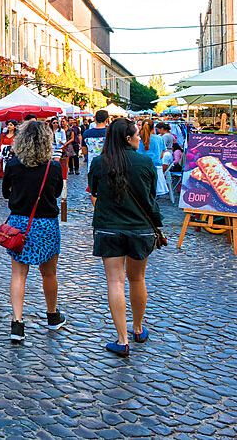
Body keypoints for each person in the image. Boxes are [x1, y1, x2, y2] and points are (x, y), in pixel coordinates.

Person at [88, 118, 161, 356]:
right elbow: (152, 195)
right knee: (137, 279)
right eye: (137, 135)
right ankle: (138, 328)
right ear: (128, 139)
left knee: (115, 282)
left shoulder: (99, 163)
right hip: (140, 229)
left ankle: (122, 339)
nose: (140, 138)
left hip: (109, 228)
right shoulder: (145, 162)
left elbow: (95, 192)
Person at [1, 120, 66, 343]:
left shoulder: (13, 165)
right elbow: (56, 193)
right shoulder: (54, 167)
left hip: (20, 224)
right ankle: (52, 315)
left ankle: (17, 323)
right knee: (49, 273)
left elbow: (5, 194)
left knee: (19, 274)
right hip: (46, 223)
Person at [138, 121, 168, 196]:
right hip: (156, 168)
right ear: (153, 128)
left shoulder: (137, 138)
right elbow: (162, 154)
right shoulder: (159, 139)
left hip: (140, 167)